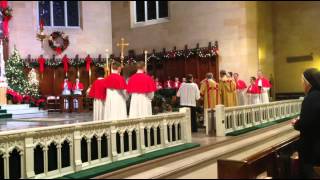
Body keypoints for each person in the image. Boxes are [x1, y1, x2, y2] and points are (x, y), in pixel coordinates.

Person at [292, 68, 320, 178]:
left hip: (313, 149)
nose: (302, 85)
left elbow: (305, 124)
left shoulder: (311, 98)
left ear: (307, 83)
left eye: (302, 82)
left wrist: (296, 123)